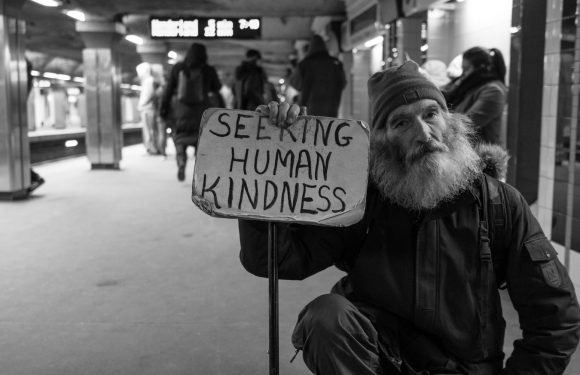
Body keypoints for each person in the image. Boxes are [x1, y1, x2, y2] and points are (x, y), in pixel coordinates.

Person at [238, 61, 580, 375]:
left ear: (451, 121)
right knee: (325, 317)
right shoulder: (359, 201)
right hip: (379, 362)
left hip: (464, 369)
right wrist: (273, 158)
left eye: (431, 114)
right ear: (383, 141)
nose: (423, 133)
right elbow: (275, 259)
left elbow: (555, 316)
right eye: (401, 122)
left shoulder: (499, 204)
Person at [160, 43, 224, 182]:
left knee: (180, 139)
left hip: (181, 112)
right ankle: (200, 172)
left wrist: (163, 110)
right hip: (202, 112)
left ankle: (182, 162)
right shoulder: (208, 70)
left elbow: (168, 91)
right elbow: (217, 89)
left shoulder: (178, 68)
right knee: (201, 143)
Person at [443, 47, 508, 145]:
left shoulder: (493, 91)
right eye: (463, 69)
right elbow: (444, 95)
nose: (463, 74)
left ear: (482, 68)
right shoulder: (469, 85)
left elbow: (467, 124)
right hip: (465, 151)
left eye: (466, 69)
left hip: (482, 155)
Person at [289, 34, 346, 117]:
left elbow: (294, 83)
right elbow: (343, 84)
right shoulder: (336, 64)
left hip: (309, 113)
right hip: (332, 112)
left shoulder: (305, 64)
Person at [137, 62, 163, 155]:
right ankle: (154, 148)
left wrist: (141, 105)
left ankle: (152, 149)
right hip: (150, 108)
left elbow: (149, 94)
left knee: (149, 130)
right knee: (152, 130)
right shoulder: (151, 81)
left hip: (147, 109)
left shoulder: (148, 81)